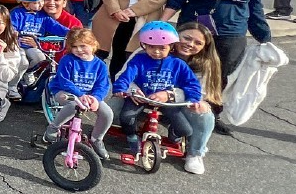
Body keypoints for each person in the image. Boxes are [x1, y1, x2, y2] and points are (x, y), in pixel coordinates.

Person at [111, 21, 203, 159]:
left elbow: (192, 83)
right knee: (126, 117)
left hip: (165, 101)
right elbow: (127, 76)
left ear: (171, 47)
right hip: (142, 98)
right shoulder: (139, 60)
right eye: (151, 47)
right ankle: (131, 137)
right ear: (144, 45)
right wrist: (121, 88)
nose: (156, 52)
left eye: (162, 48)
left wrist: (194, 99)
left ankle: (175, 135)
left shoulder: (178, 64)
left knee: (185, 129)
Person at [40, 26, 113, 161]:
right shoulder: (68, 60)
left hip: (89, 96)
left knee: (107, 113)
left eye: (83, 46)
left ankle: (97, 139)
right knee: (74, 105)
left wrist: (96, 98)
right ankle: (53, 127)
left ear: (93, 45)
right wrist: (79, 94)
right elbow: (64, 81)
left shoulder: (100, 65)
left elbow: (102, 85)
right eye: (74, 47)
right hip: (65, 91)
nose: (78, 50)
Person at [173, 21, 223, 176]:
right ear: (175, 35)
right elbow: (124, 75)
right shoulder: (153, 48)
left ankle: (195, 153)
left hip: (180, 103)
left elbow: (199, 93)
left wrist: (170, 94)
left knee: (204, 112)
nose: (190, 44)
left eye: (197, 43)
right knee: (114, 110)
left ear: (204, 47)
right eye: (186, 38)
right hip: (147, 97)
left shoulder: (205, 64)